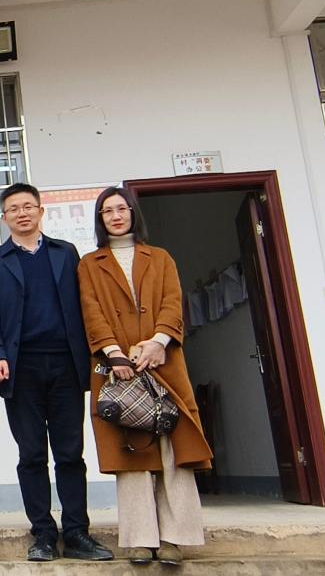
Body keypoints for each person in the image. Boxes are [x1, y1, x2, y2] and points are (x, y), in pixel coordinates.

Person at [77, 186, 212, 566]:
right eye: (107, 211)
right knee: (131, 449)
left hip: (163, 362)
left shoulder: (161, 257)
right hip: (115, 366)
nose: (116, 216)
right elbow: (91, 311)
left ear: (133, 213)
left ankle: (174, 538)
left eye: (122, 209)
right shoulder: (89, 264)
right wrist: (114, 354)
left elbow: (172, 301)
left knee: (173, 448)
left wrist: (158, 342)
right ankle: (139, 538)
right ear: (100, 220)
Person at [0, 182, 113, 562]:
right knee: (32, 454)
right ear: (4, 217)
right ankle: (43, 535)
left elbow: (85, 305)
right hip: (20, 369)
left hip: (66, 365)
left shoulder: (65, 253)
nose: (22, 213)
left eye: (28, 206)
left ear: (40, 211)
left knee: (70, 453)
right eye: (13, 208)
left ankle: (77, 533)